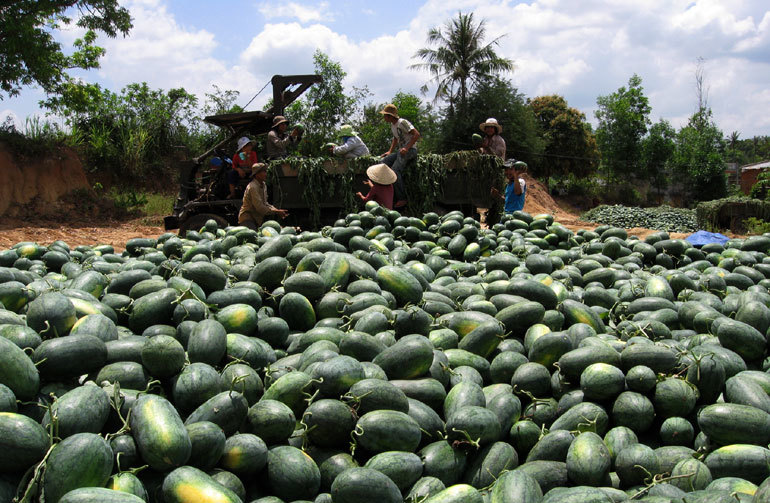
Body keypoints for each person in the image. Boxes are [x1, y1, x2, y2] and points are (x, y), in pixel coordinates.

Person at [379, 104, 420, 209]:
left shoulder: (402, 122)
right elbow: (395, 139)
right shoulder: (393, 125)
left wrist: (407, 148)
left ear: (390, 116)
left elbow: (416, 134)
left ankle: (402, 198)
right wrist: (389, 151)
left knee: (395, 170)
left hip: (410, 151)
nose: (384, 118)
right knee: (382, 163)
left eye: (385, 116)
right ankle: (387, 191)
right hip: (401, 151)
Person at [238, 163, 288, 229]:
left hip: (257, 219)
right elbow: (260, 207)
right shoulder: (253, 187)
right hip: (248, 218)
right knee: (253, 236)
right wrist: (276, 212)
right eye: (263, 172)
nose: (266, 174)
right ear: (257, 174)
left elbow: (265, 203)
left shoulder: (263, 185)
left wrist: (277, 210)